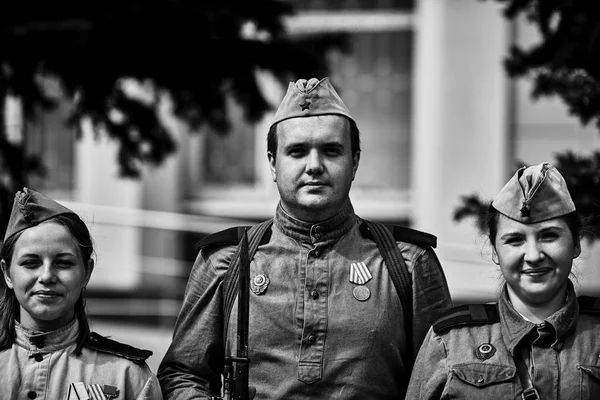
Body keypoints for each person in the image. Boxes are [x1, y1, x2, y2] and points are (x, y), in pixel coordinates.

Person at [158, 77, 452, 399]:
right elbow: (183, 374)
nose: (314, 166)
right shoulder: (227, 261)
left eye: (331, 150)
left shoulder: (407, 262)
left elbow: (440, 380)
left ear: (354, 162)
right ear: (273, 163)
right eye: (297, 151)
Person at [406, 162, 600, 399]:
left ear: (576, 244)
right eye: (515, 240)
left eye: (549, 236)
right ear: (495, 252)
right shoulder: (450, 342)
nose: (533, 255)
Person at [0, 187, 163, 400]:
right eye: (31, 263)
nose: (47, 276)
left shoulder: (127, 377)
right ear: (7, 273)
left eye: (64, 263)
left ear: (87, 272)